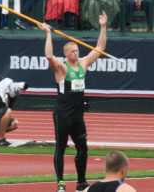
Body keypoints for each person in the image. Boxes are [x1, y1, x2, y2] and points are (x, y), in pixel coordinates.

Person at [38, 12, 108, 192]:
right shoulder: (61, 68)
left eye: (78, 50)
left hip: (78, 116)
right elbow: (48, 56)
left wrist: (103, 26)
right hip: (62, 115)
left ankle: (81, 182)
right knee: (60, 149)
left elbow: (100, 48)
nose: (77, 53)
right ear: (67, 54)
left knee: (83, 148)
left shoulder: (84, 64)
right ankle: (61, 184)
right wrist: (48, 34)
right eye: (73, 51)